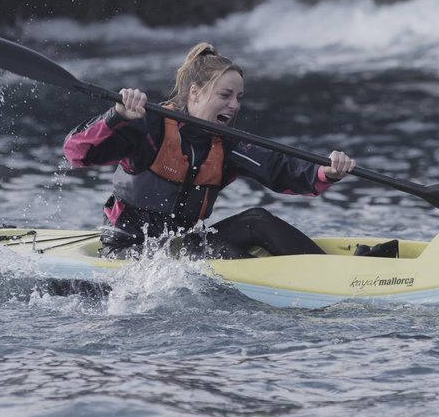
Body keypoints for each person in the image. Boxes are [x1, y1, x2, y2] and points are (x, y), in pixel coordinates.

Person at [62, 42, 358, 259]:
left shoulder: (225, 144)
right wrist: (116, 116)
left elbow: (279, 168)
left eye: (239, 98)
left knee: (257, 219)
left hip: (180, 246)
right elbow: (76, 152)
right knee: (213, 249)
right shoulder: (148, 127)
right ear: (195, 93)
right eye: (225, 95)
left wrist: (326, 171)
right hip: (128, 250)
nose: (234, 105)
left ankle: (328, 271)